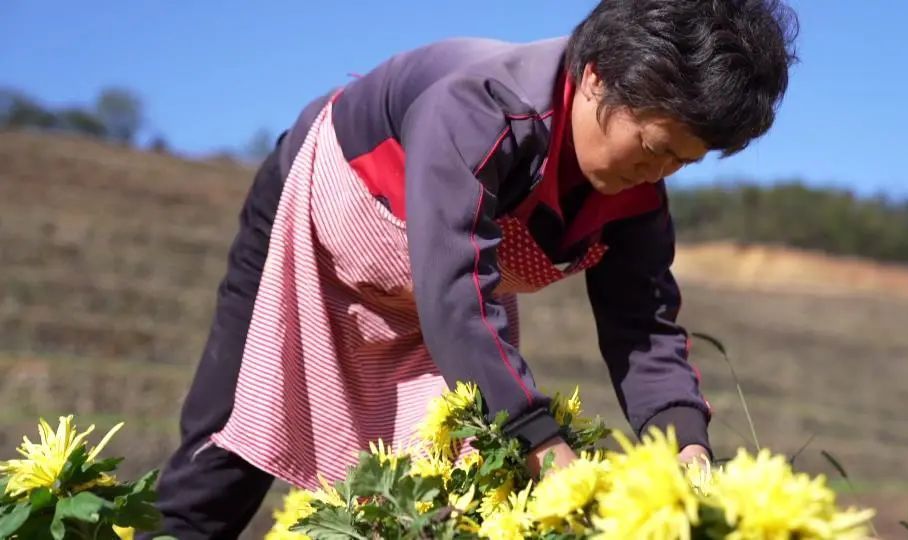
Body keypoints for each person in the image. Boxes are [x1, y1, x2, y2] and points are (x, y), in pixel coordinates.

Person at [143, 0, 797, 537]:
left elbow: (645, 330)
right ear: (597, 76)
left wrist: (685, 448)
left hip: (444, 308)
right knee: (220, 470)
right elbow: (456, 285)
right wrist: (538, 439)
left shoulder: (636, 199)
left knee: (452, 500)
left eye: (681, 162)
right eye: (653, 146)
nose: (656, 171)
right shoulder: (481, 105)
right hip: (320, 236)